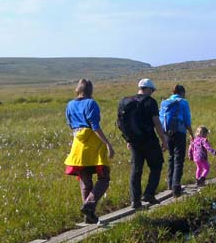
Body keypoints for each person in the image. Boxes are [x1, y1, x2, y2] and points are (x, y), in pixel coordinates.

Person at [64, 79, 115, 223]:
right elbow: (95, 126)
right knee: (104, 178)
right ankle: (89, 205)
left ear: (78, 89)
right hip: (94, 146)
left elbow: (70, 125)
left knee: (85, 182)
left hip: (78, 145)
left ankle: (89, 217)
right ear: (90, 91)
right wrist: (107, 144)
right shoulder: (91, 103)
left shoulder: (70, 105)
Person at [121, 78, 167, 209]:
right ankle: (149, 194)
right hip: (149, 140)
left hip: (134, 142)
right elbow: (157, 123)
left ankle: (135, 201)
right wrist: (164, 140)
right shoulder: (150, 102)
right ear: (147, 89)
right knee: (156, 165)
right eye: (151, 90)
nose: (152, 93)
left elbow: (122, 122)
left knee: (136, 170)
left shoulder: (127, 101)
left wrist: (128, 139)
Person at [159, 84, 194, 197]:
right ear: (182, 92)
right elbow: (187, 120)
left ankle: (170, 184)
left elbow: (160, 119)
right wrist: (192, 134)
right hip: (179, 132)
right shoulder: (183, 102)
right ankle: (176, 187)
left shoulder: (164, 102)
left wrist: (162, 136)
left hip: (167, 133)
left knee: (171, 157)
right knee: (178, 159)